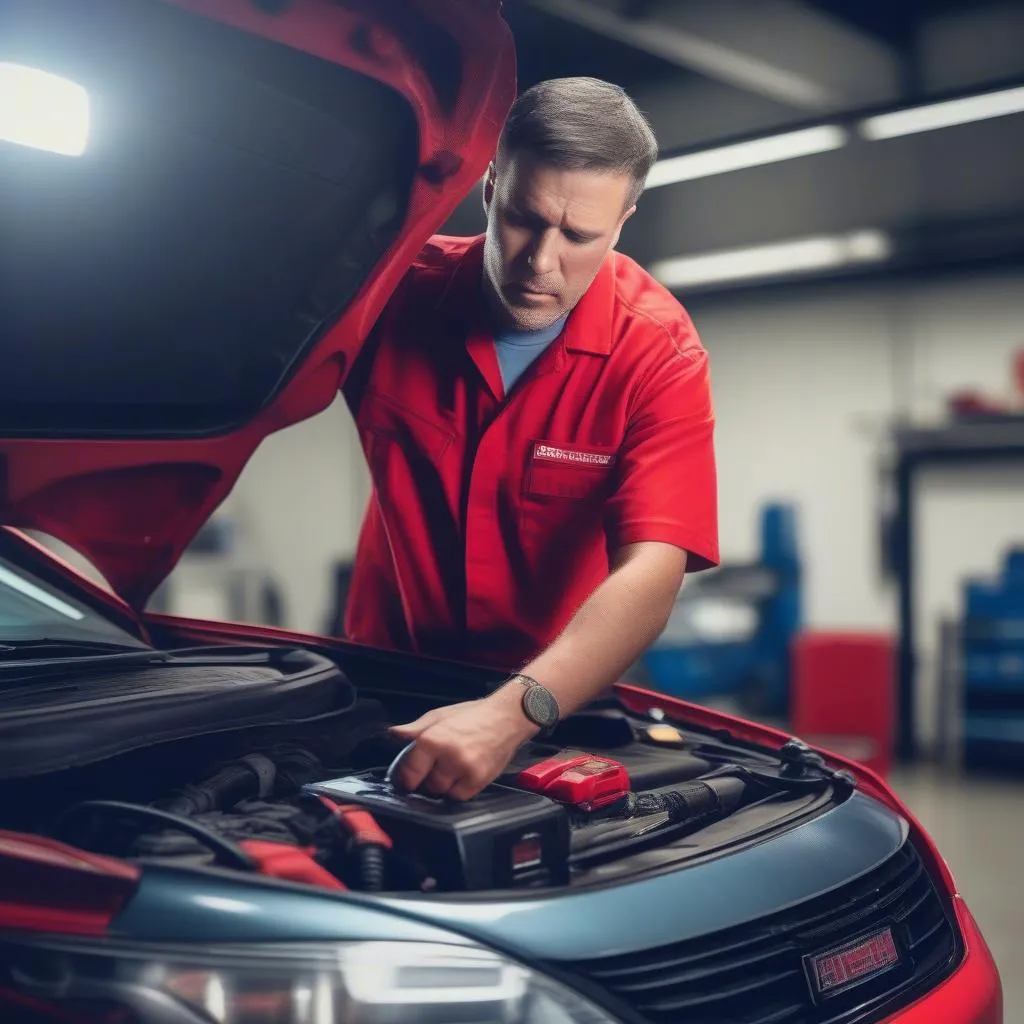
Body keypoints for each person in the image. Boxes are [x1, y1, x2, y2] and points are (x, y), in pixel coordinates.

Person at [341, 77, 719, 800]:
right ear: (491, 188)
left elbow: (653, 571)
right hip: (384, 677)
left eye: (579, 236)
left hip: (552, 700)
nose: (541, 262)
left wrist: (511, 714)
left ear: (623, 222)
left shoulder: (659, 354)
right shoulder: (391, 297)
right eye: (523, 219)